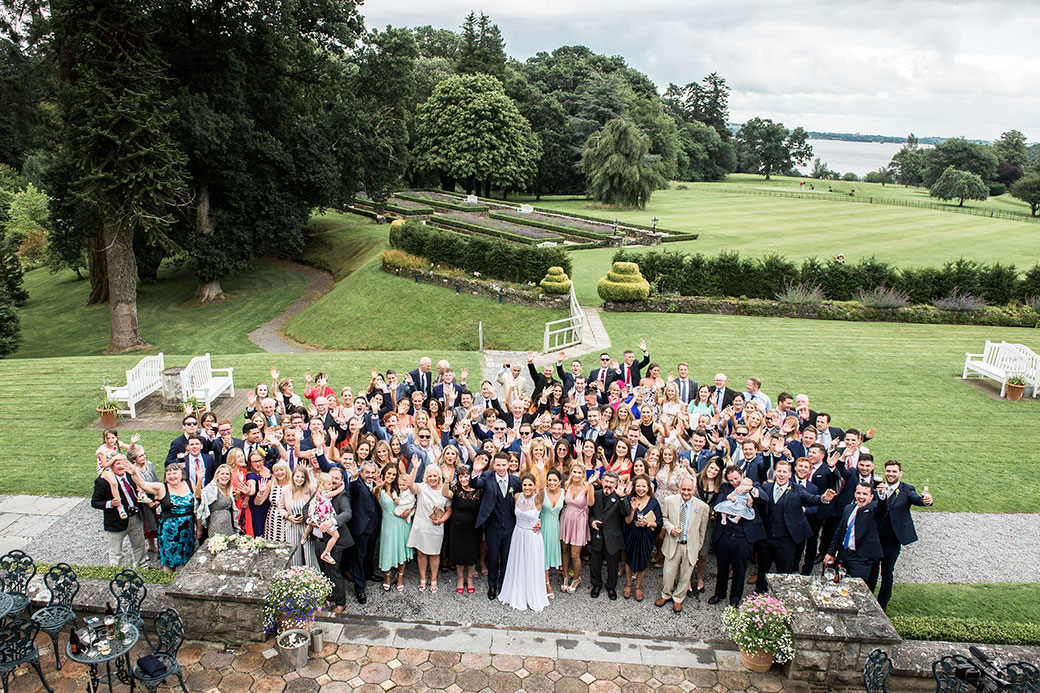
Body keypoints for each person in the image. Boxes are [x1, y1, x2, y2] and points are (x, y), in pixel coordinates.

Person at [754, 459, 836, 594]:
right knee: (763, 568)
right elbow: (756, 488)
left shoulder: (797, 489)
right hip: (766, 539)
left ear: (790, 474)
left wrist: (823, 498)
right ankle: (759, 593)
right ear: (774, 472)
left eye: (784, 472)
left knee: (784, 572)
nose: (781, 474)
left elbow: (811, 499)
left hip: (786, 540)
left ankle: (780, 598)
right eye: (779, 471)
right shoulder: (766, 487)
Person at [872, 460, 933, 610]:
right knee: (872, 571)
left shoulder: (907, 489)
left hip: (893, 539)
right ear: (884, 472)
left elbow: (916, 499)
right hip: (875, 536)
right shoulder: (878, 487)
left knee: (887, 573)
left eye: (894, 471)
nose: (891, 474)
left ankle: (882, 605)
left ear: (900, 473)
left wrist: (926, 501)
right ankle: (867, 599)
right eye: (888, 471)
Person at [709, 465, 766, 606]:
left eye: (736, 479)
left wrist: (750, 490)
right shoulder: (725, 488)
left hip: (743, 537)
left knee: (740, 569)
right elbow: (719, 503)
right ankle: (719, 593)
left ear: (742, 475)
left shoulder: (753, 485)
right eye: (731, 480)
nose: (734, 482)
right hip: (725, 534)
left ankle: (735, 599)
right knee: (722, 567)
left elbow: (765, 499)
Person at [472, 451, 522, 600]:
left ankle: (504, 585)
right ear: (494, 465)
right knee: (493, 557)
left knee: (507, 557)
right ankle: (492, 586)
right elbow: (474, 484)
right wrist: (475, 470)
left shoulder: (515, 481)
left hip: (510, 526)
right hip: (492, 526)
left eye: (503, 465)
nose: (501, 468)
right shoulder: (487, 477)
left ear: (508, 465)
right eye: (498, 465)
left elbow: (525, 499)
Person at [656, 477, 710, 613]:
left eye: (689, 490)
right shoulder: (669, 501)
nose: (686, 492)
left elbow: (702, 530)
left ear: (694, 490)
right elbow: (664, 518)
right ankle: (666, 594)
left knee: (686, 575)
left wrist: (698, 546)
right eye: (684, 489)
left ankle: (678, 598)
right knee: (668, 573)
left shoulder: (703, 507)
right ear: (679, 489)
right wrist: (670, 529)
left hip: (690, 545)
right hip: (673, 543)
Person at [497, 472, 549, 612]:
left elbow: (543, 488)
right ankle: (516, 591)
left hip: (532, 536)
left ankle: (531, 594)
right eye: (524, 485)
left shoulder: (538, 499)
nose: (526, 487)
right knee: (517, 563)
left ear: (534, 486)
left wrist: (540, 470)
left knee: (531, 564)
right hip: (518, 534)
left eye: (530, 485)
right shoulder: (517, 496)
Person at [136, 463, 196, 572]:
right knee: (169, 562)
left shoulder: (189, 484)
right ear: (165, 477)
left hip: (188, 530)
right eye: (169, 474)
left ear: (181, 473)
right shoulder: (161, 487)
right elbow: (142, 484)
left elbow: (198, 501)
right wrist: (134, 471)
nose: (172, 476)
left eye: (175, 473)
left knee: (188, 560)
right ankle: (168, 583)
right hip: (169, 533)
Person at [91, 454, 148, 568]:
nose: (122, 466)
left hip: (135, 518)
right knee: (116, 551)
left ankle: (142, 568)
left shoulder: (130, 475)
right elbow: (95, 502)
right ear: (111, 466)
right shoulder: (102, 482)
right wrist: (110, 504)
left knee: (139, 546)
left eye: (123, 463)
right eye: (118, 464)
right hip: (116, 521)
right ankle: (116, 573)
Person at [405, 462, 451, 593]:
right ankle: (423, 578)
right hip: (421, 526)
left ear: (439, 476)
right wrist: (414, 469)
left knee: (435, 555)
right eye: (430, 476)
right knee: (421, 554)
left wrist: (441, 520)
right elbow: (409, 485)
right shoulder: (422, 488)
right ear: (426, 476)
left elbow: (449, 510)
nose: (432, 478)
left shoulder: (444, 490)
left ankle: (434, 579)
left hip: (436, 526)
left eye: (435, 476)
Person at [825, 482, 884, 583]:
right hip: (844, 554)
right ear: (855, 494)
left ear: (871, 497)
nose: (861, 496)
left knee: (855, 587)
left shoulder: (874, 510)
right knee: (837, 583)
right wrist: (830, 552)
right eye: (859, 493)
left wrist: (883, 496)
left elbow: (883, 508)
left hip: (861, 559)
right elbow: (840, 531)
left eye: (865, 494)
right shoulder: (849, 508)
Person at [588, 470, 631, 600]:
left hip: (613, 537)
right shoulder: (595, 494)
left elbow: (626, 512)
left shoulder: (620, 497)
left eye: (612, 482)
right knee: (595, 564)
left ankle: (611, 587)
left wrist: (622, 497)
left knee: (613, 565)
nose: (608, 484)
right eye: (606, 481)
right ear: (602, 481)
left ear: (616, 484)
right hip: (598, 536)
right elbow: (589, 512)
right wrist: (592, 522)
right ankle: (596, 584)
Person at [443, 463, 481, 594]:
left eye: (466, 476)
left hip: (473, 527)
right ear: (458, 478)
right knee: (458, 553)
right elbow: (445, 493)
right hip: (457, 526)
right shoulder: (456, 488)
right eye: (461, 477)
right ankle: (460, 578)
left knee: (471, 554)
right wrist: (447, 479)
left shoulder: (478, 489)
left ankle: (469, 578)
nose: (464, 479)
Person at [347, 460, 382, 604]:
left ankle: (369, 574)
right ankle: (359, 587)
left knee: (370, 553)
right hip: (360, 527)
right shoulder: (357, 483)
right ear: (361, 472)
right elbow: (353, 490)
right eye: (367, 472)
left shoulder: (375, 484)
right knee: (359, 558)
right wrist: (354, 478)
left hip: (373, 526)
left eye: (372, 473)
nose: (370, 475)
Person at [622, 474, 661, 602]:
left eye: (643, 486)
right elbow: (627, 521)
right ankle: (628, 584)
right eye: (638, 486)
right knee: (629, 559)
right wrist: (632, 510)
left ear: (648, 487)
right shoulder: (629, 499)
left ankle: (638, 586)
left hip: (646, 536)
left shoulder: (654, 502)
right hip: (632, 534)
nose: (641, 489)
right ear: (634, 487)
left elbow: (659, 522)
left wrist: (648, 523)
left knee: (643, 561)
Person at [559, 463, 595, 594]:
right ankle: (565, 575)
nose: (576, 475)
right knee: (564, 549)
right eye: (574, 472)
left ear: (583, 474)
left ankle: (576, 578)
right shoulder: (567, 485)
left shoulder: (587, 486)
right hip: (566, 518)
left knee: (575, 554)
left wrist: (589, 486)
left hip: (579, 521)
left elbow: (591, 503)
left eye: (579, 473)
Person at [280, 466, 317, 568]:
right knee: (294, 554)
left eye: (302, 477)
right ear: (292, 477)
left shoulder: (310, 489)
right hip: (292, 526)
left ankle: (313, 577)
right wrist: (288, 517)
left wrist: (306, 516)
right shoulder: (285, 490)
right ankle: (295, 577)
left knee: (310, 555)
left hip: (306, 527)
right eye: (297, 476)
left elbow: (315, 506)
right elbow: (281, 508)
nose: (299, 479)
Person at [301, 472, 342, 564]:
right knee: (335, 536)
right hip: (323, 517)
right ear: (322, 484)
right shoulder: (325, 493)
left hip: (315, 513)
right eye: (329, 484)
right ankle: (326, 553)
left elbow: (312, 502)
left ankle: (304, 536)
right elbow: (336, 492)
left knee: (310, 524)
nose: (332, 485)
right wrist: (341, 487)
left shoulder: (318, 491)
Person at [197, 463, 239, 538]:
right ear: (217, 476)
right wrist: (200, 479)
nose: (225, 476)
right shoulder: (212, 488)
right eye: (222, 474)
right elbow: (198, 496)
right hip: (216, 524)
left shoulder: (229, 489)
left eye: (227, 474)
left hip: (228, 524)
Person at [540, 468, 564, 597]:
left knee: (549, 553)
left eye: (555, 480)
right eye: (549, 480)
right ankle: (546, 582)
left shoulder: (564, 493)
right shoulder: (542, 492)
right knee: (543, 553)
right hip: (543, 525)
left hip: (555, 526)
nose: (552, 482)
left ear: (560, 481)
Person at [264, 462, 291, 544]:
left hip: (287, 518)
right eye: (276, 471)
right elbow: (258, 502)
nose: (279, 473)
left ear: (286, 470)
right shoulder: (271, 484)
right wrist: (261, 492)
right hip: (273, 518)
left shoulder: (292, 484)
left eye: (282, 470)